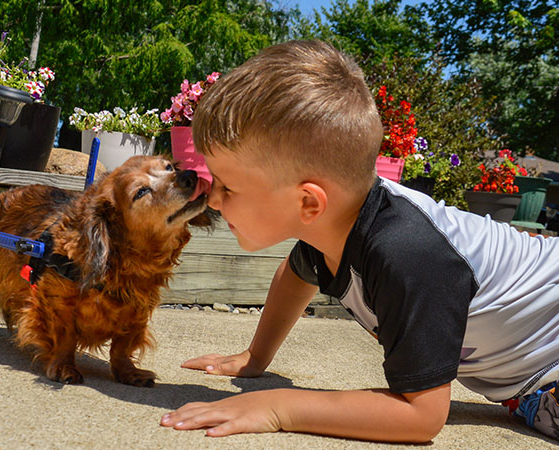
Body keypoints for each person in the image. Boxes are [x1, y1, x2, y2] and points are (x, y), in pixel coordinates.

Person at [159, 40, 559, 442]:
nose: (212, 198)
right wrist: (255, 357)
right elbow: (295, 273)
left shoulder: (409, 253)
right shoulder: (331, 231)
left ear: (309, 202)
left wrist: (278, 405)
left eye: (228, 187)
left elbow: (420, 415)